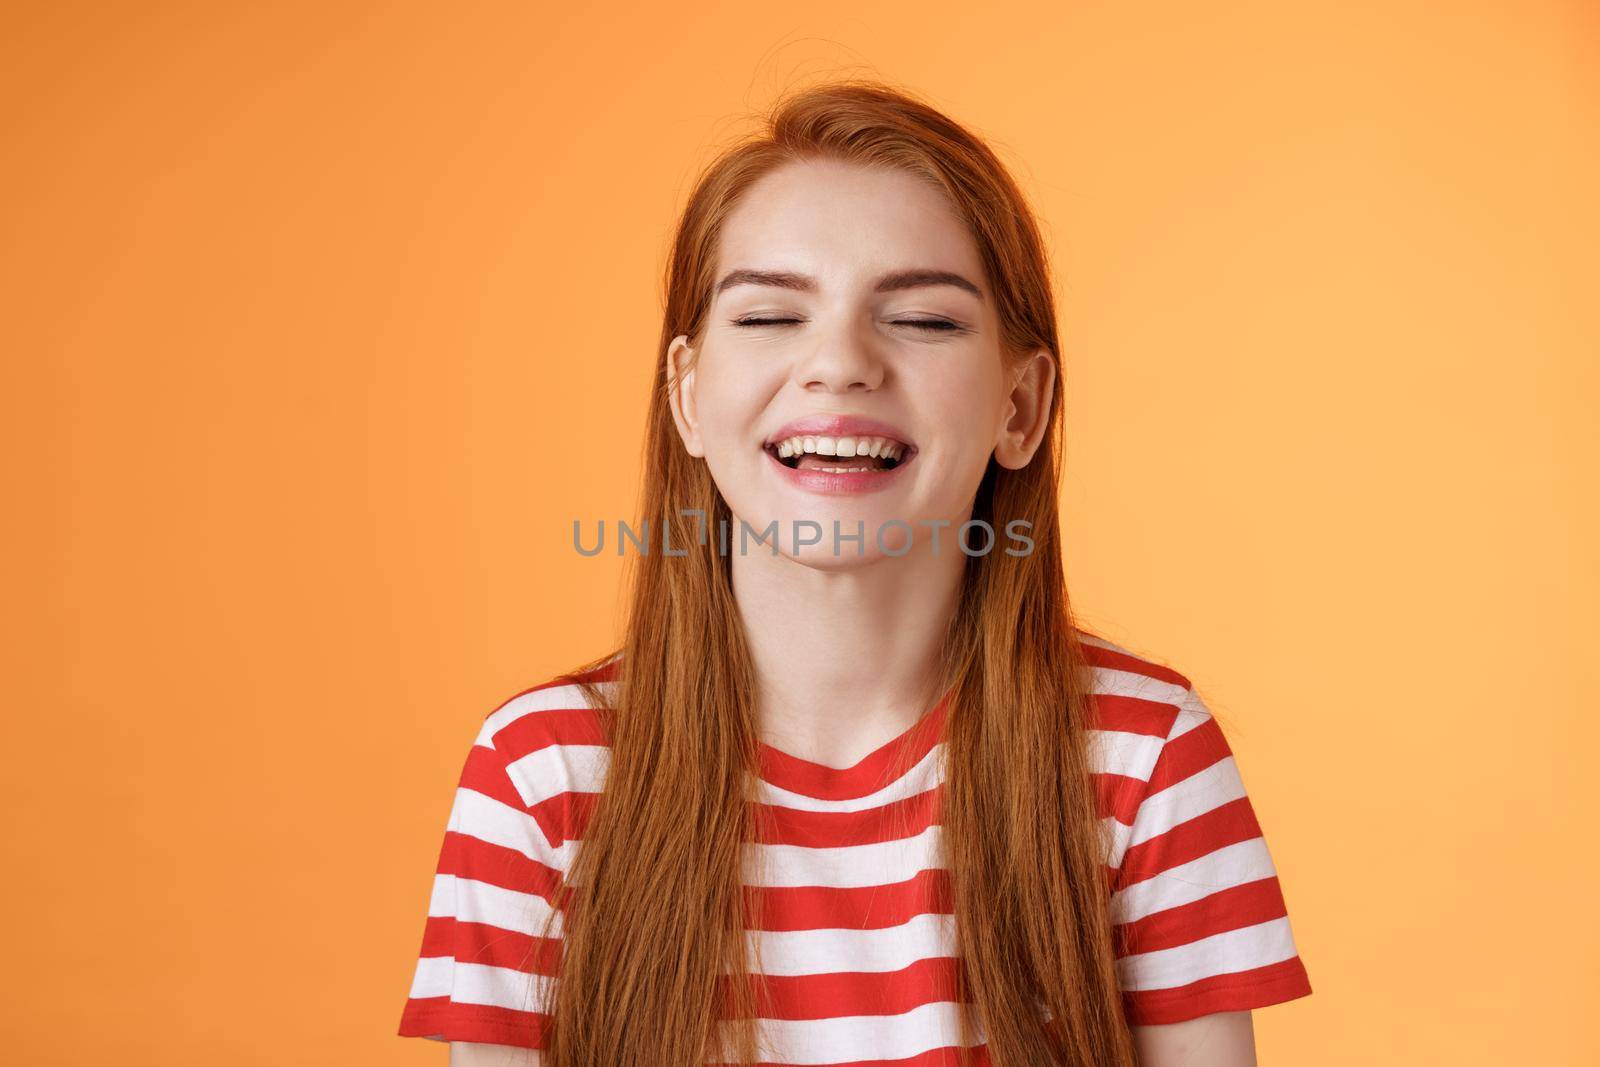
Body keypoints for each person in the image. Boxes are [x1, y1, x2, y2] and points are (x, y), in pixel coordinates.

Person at [397, 80, 1311, 1066]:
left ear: (1020, 405)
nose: (839, 364)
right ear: (687, 395)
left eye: (920, 319)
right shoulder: (544, 775)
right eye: (767, 317)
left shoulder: (1146, 760)